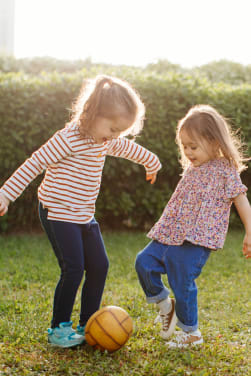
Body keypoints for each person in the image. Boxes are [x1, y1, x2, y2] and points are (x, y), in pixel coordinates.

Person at [0, 75, 161, 348]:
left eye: (119, 132)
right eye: (112, 128)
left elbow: (129, 148)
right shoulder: (67, 139)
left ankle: (89, 323)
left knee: (99, 265)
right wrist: (5, 194)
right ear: (93, 113)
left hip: (83, 214)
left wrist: (152, 162)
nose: (114, 136)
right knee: (73, 268)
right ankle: (58, 328)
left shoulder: (105, 141)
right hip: (57, 212)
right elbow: (34, 164)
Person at [135, 104, 251, 348]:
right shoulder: (193, 168)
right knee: (143, 263)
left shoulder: (225, 170)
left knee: (181, 278)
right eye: (184, 146)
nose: (187, 152)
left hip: (196, 240)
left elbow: (241, 201)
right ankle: (166, 305)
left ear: (214, 140)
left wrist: (250, 232)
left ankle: (191, 333)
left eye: (193, 146)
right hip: (169, 232)